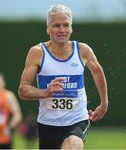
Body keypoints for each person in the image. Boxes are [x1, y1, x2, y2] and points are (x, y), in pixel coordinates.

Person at [18, 4, 108, 149]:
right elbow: (23, 90)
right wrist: (45, 92)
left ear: (71, 28)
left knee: (72, 146)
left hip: (77, 121)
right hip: (48, 124)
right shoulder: (37, 53)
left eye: (66, 25)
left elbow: (97, 71)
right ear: (48, 28)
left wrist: (104, 103)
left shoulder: (83, 51)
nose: (61, 30)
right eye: (56, 25)